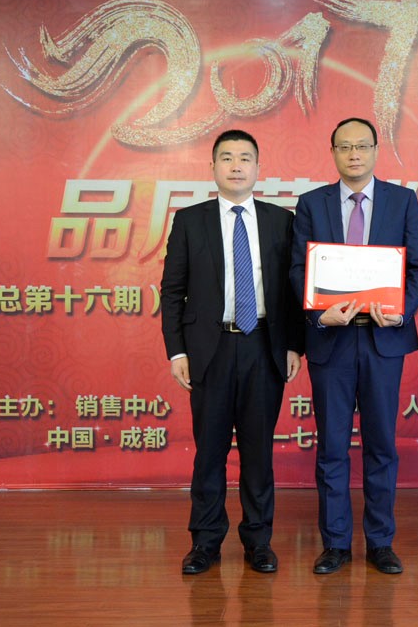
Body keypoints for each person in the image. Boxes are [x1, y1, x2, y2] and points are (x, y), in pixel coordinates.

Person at [290, 117, 418, 575]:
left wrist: (401, 311)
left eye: (362, 146)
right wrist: (318, 314)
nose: (354, 154)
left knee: (381, 446)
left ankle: (380, 542)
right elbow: (298, 269)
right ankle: (335, 544)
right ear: (333, 152)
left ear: (375, 151)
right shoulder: (311, 203)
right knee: (332, 446)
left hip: (382, 340)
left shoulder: (402, 201)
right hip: (331, 339)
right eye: (345, 147)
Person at [161, 129, 304, 575]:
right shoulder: (190, 220)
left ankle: (258, 542)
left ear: (258, 167)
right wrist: (177, 352)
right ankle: (205, 542)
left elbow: (293, 290)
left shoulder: (281, 221)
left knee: (259, 453)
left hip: (264, 346)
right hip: (211, 349)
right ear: (213, 167)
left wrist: (294, 344)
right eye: (227, 157)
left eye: (245, 158)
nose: (236, 165)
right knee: (210, 452)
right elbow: (172, 291)